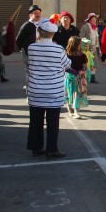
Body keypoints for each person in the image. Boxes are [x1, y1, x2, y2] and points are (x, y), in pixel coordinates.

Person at [26, 17, 71, 159]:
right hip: (53, 91)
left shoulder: (31, 48)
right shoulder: (58, 49)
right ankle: (51, 149)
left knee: (35, 121)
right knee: (52, 122)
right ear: (52, 34)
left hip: (35, 90)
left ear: (39, 31)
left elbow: (29, 64)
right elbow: (67, 64)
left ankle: (36, 147)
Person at [16, 4, 42, 87]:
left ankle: (37, 87)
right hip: (28, 52)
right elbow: (18, 39)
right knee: (30, 70)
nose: (38, 15)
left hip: (39, 51)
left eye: (39, 13)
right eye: (35, 13)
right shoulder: (26, 25)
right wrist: (23, 49)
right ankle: (29, 89)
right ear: (30, 15)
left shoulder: (41, 25)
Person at [64, 36, 88, 119]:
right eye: (79, 44)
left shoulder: (82, 55)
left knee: (77, 94)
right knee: (70, 94)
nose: (80, 46)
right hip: (70, 77)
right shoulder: (67, 55)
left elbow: (84, 66)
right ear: (74, 44)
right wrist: (76, 72)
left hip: (79, 78)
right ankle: (70, 107)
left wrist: (83, 71)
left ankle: (76, 111)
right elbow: (66, 68)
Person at [79, 12, 100, 78]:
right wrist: (86, 45)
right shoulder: (85, 27)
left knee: (94, 62)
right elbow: (81, 37)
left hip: (94, 48)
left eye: (95, 19)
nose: (94, 20)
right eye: (93, 19)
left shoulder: (96, 28)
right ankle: (85, 76)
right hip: (87, 48)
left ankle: (92, 77)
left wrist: (98, 48)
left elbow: (97, 39)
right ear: (89, 20)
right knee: (86, 62)